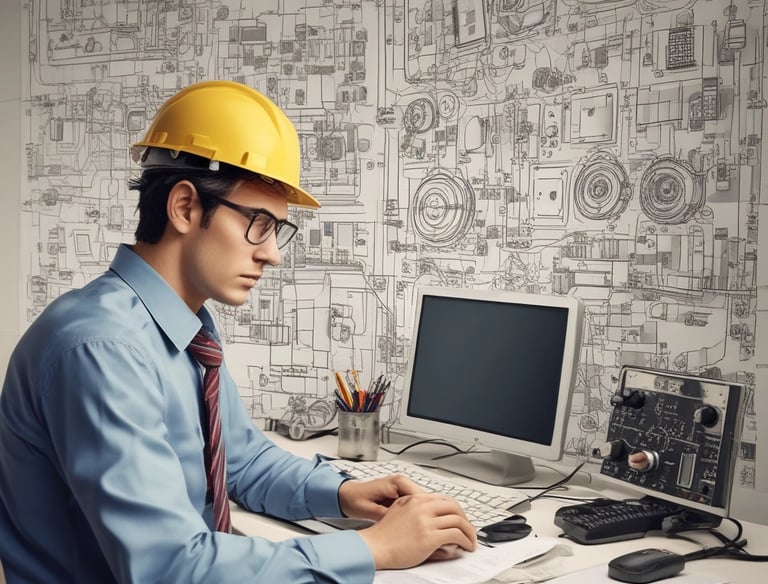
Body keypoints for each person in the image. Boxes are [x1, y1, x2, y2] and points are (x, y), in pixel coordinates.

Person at [0, 80, 476, 583]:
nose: (271, 253)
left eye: (277, 231)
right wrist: (371, 547)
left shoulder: (186, 326)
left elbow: (240, 461)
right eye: (259, 223)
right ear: (185, 207)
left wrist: (342, 493)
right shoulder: (101, 350)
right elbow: (169, 569)